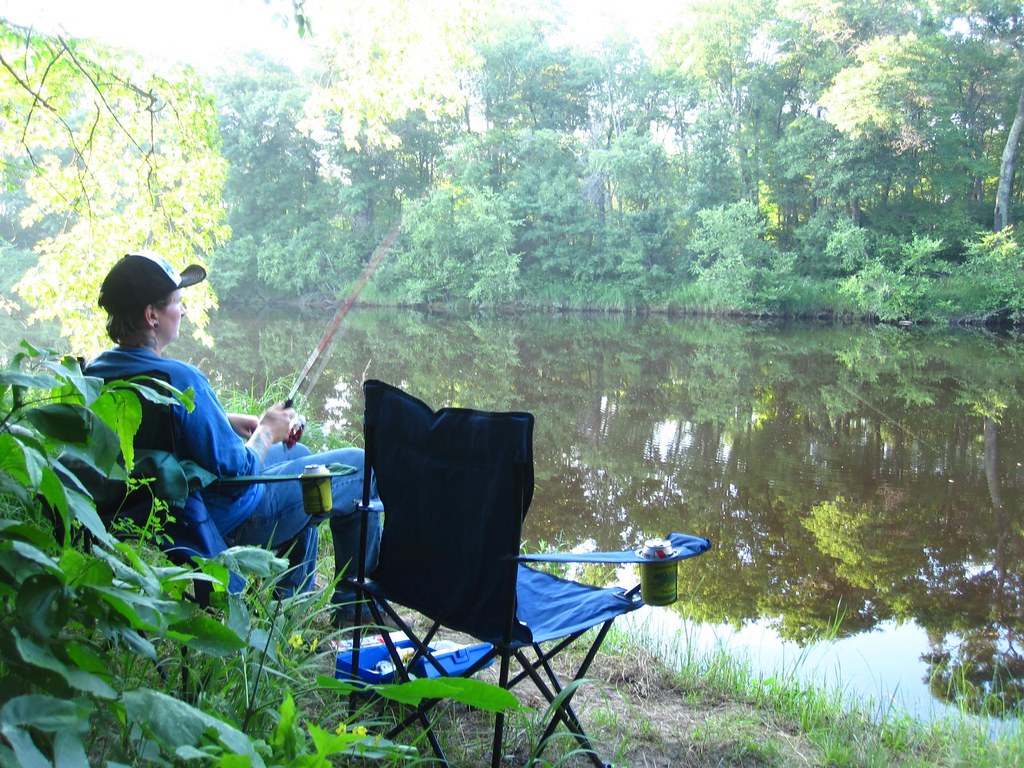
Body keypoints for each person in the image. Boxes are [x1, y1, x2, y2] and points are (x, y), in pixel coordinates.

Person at [87, 251, 380, 615]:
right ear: (152, 316)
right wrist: (266, 432)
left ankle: (291, 599)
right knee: (360, 467)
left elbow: (154, 425)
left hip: (154, 512)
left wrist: (225, 421)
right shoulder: (181, 378)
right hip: (218, 516)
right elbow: (240, 472)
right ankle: (356, 611)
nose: (184, 311)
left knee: (299, 456)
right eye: (177, 302)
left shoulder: (97, 371)